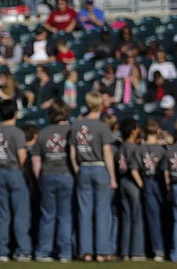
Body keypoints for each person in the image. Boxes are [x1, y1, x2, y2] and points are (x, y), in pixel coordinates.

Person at [69, 92, 117, 262]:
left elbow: (72, 153)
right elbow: (107, 155)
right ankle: (101, 251)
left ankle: (86, 251)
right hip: (99, 167)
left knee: (84, 211)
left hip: (83, 168)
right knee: (102, 211)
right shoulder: (102, 127)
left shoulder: (76, 126)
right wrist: (112, 177)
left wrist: (77, 169)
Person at [31, 100, 74, 262]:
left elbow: (36, 159)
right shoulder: (71, 131)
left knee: (47, 215)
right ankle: (65, 252)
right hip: (66, 175)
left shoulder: (43, 132)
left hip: (47, 175)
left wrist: (38, 179)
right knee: (65, 215)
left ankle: (43, 251)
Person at [0, 99, 32, 261]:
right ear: (15, 113)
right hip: (15, 171)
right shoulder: (17, 133)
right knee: (20, 213)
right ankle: (23, 250)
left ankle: (1, 251)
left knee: (2, 214)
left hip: (0, 172)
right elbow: (22, 157)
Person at [130, 118, 167, 261]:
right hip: (160, 181)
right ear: (157, 131)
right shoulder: (163, 149)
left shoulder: (139, 149)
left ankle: (157, 250)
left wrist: (142, 184)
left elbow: (133, 170)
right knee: (166, 215)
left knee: (153, 218)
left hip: (147, 180)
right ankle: (168, 246)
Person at [117, 118, 146, 261]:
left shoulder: (120, 146)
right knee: (136, 217)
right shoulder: (134, 147)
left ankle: (125, 252)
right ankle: (137, 252)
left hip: (122, 182)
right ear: (133, 131)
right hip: (133, 182)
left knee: (126, 218)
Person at [164, 132, 177, 262]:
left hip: (174, 185)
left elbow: (166, 172)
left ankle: (174, 254)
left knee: (175, 220)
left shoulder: (170, 150)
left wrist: (168, 189)